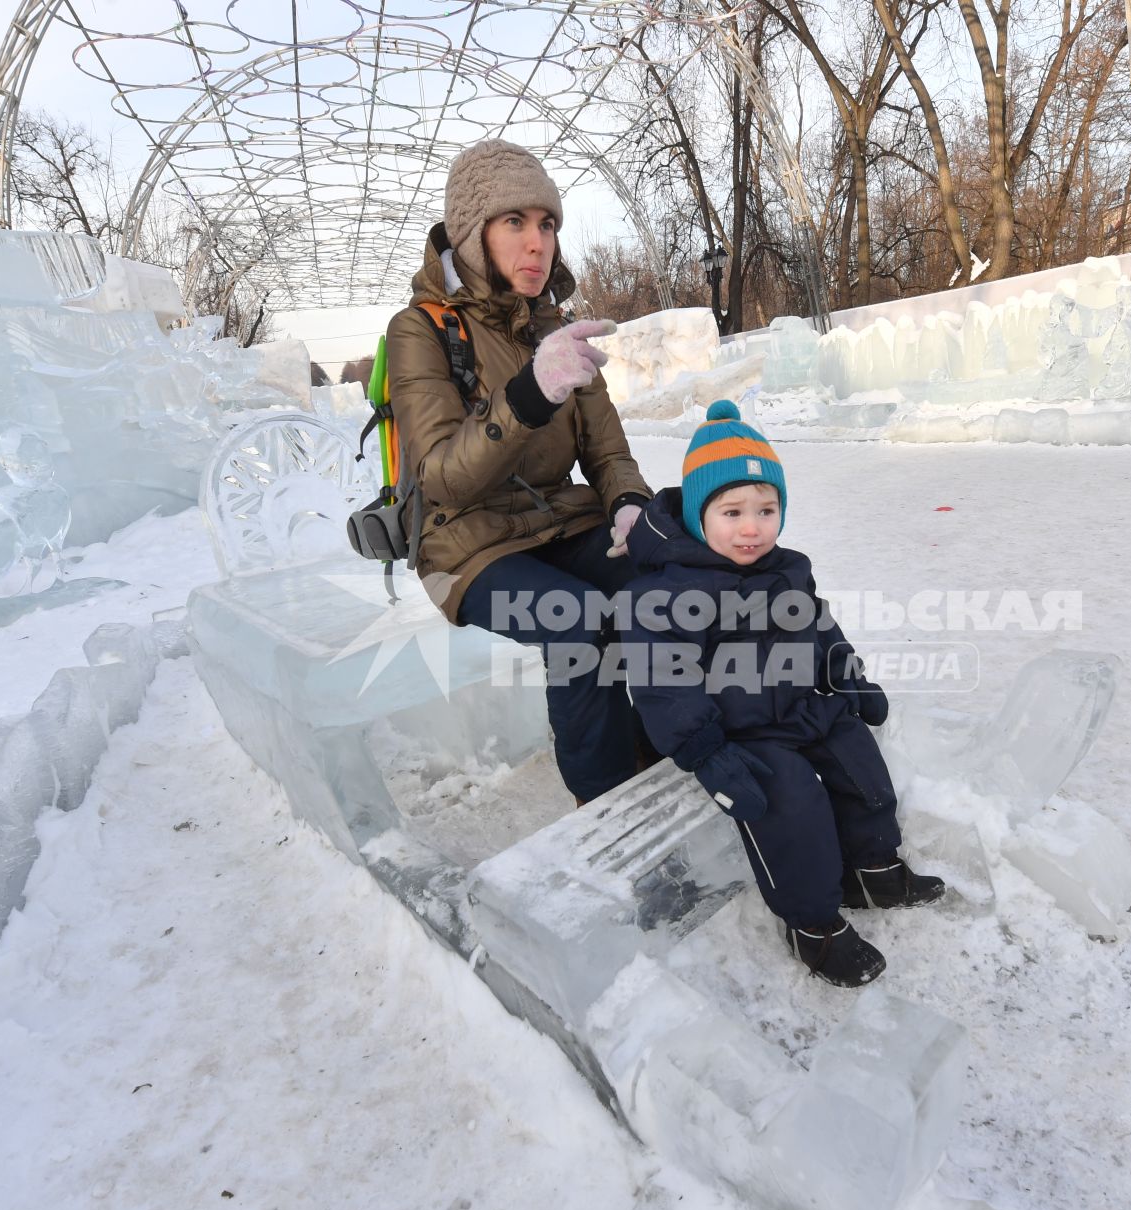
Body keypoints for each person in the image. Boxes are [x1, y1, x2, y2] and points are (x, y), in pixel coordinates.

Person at [620, 402, 946, 987]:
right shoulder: (667, 591)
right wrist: (707, 752)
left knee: (859, 763)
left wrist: (849, 676)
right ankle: (813, 924)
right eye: (733, 511)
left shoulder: (788, 568)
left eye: (767, 510)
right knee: (790, 804)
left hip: (801, 705)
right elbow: (662, 678)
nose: (752, 527)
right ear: (699, 516)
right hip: (740, 730)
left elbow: (818, 627)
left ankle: (874, 870)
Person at [386, 138, 655, 806]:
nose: (538, 243)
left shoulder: (554, 328)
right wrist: (531, 395)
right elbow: (445, 479)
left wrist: (628, 503)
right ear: (471, 235)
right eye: (515, 222)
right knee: (580, 619)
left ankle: (667, 746)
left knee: (672, 562)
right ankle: (610, 808)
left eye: (548, 223)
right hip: (465, 548)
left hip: (557, 523)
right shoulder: (418, 330)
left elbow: (608, 452)